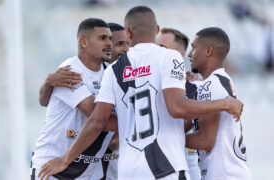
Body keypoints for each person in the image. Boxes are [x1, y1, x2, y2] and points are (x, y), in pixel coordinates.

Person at [38, 6, 244, 180]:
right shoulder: (169, 57)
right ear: (156, 29)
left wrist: (65, 159)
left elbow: (96, 121)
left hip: (128, 171)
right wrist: (224, 103)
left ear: (128, 33)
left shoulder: (114, 69)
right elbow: (177, 107)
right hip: (164, 167)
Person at [31, 18, 118, 180]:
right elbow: (98, 118)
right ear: (83, 42)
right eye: (102, 38)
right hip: (52, 169)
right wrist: (135, 123)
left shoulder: (110, 72)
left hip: (86, 173)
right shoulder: (70, 71)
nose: (109, 44)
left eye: (110, 39)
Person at [185, 27, 251, 179]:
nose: (189, 54)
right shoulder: (220, 80)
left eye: (194, 48)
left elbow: (205, 140)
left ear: (208, 51)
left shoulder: (211, 85)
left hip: (223, 174)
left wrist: (168, 139)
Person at [157, 27, 201, 180]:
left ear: (179, 56)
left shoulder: (196, 87)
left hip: (188, 169)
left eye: (162, 48)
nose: (156, 52)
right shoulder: (147, 84)